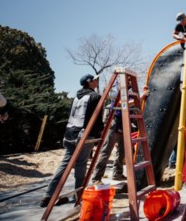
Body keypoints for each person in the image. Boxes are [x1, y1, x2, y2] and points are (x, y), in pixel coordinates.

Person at [40, 74, 104, 207]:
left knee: (65, 164)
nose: (97, 82)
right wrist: (100, 133)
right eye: (95, 80)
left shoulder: (76, 97)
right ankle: (78, 196)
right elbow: (97, 119)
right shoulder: (95, 97)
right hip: (83, 134)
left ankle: (49, 194)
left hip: (69, 133)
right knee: (81, 165)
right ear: (89, 82)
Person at [91, 84, 150, 185]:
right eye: (129, 80)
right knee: (106, 151)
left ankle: (117, 173)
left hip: (125, 123)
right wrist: (141, 97)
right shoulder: (117, 91)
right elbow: (119, 104)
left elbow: (135, 105)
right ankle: (96, 178)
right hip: (115, 123)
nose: (130, 82)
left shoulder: (131, 93)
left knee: (121, 151)